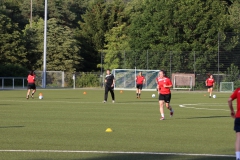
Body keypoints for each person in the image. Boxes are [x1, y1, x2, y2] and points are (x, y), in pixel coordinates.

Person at [228, 88, 240, 160]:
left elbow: (229, 100)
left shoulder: (238, 90)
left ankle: (238, 157)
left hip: (239, 117)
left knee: (239, 137)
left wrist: (232, 111)